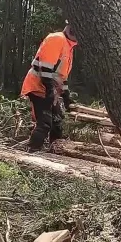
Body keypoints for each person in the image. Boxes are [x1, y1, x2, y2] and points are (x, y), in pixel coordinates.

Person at [20, 21, 78, 152]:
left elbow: (61, 76)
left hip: (49, 89)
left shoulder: (69, 47)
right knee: (45, 123)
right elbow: (45, 67)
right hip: (38, 87)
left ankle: (55, 151)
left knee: (58, 123)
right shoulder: (57, 39)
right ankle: (31, 152)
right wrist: (49, 90)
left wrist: (66, 95)